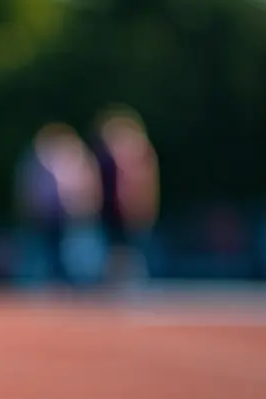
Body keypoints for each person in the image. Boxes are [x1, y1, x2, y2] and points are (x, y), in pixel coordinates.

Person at [16, 123, 102, 286]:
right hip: (44, 217)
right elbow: (27, 189)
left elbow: (88, 185)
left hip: (71, 217)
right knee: (45, 256)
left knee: (73, 258)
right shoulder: (37, 157)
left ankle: (74, 288)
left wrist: (86, 208)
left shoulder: (77, 156)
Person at [89, 106, 159, 286]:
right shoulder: (110, 158)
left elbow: (144, 187)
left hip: (130, 213)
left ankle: (130, 289)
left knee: (129, 254)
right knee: (116, 254)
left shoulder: (138, 156)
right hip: (115, 212)